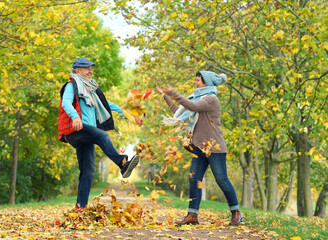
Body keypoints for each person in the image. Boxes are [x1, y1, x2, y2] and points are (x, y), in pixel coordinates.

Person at [155, 71, 243, 226]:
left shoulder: (211, 99)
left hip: (214, 147)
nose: (195, 82)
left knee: (221, 180)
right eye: (195, 79)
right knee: (194, 179)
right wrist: (165, 96)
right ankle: (192, 215)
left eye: (198, 80)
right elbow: (178, 113)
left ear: (206, 83)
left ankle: (236, 213)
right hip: (199, 148)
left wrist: (174, 92)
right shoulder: (195, 98)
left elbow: (192, 106)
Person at [58, 57, 141, 210]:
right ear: (78, 71)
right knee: (102, 135)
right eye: (87, 68)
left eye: (91, 68)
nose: (91, 71)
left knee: (88, 171)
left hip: (87, 133)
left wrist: (128, 115)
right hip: (75, 130)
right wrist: (75, 117)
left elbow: (106, 104)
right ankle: (122, 163)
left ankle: (79, 209)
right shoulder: (72, 85)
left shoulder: (90, 89)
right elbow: (65, 103)